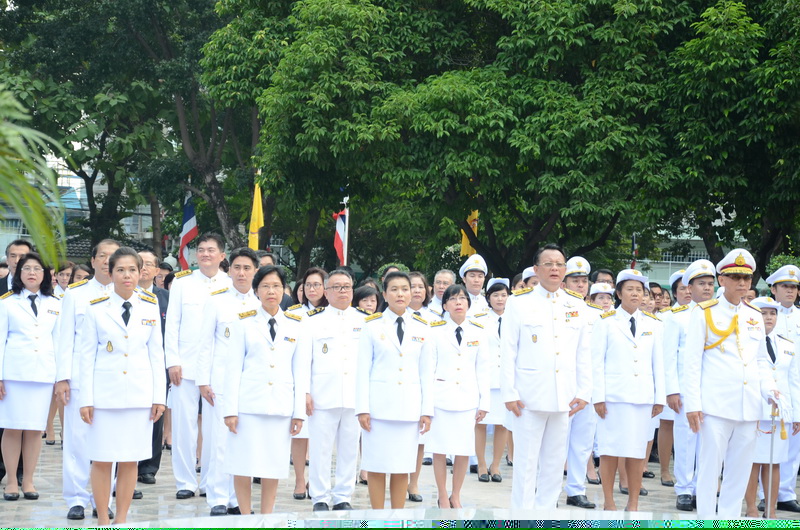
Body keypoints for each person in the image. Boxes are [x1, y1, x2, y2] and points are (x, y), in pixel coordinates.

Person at [684, 249, 780, 518]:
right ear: (721, 280)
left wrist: (769, 389)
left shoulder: (754, 314)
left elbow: (760, 360)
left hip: (748, 406)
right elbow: (691, 362)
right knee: (710, 469)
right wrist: (693, 404)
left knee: (739, 470)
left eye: (746, 278)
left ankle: (729, 519)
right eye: (735, 277)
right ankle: (706, 520)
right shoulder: (704, 312)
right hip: (715, 405)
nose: (742, 283)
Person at [77, 247, 166, 525]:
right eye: (120, 270)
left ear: (141, 272)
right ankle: (104, 518)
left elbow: (156, 354)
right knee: (102, 459)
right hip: (105, 396)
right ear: (111, 272)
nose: (127, 275)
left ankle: (122, 519)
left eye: (132, 270)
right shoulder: (96, 307)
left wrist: (159, 397)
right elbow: (86, 356)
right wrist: (86, 399)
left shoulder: (150, 304)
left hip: (139, 396)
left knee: (130, 459)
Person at [501, 243, 591, 509]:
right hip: (528, 397)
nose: (554, 268)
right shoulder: (519, 303)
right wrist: (509, 393)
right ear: (536, 269)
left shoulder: (576, 304)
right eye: (548, 264)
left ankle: (546, 514)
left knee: (554, 463)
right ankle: (522, 518)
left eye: (559, 264)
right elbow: (508, 350)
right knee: (526, 464)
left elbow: (583, 352)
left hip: (564, 397)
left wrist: (584, 391)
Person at [223, 265, 307, 514]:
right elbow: (232, 369)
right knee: (243, 464)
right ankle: (245, 516)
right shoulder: (243, 322)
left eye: (276, 286)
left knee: (273, 465)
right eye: (266, 286)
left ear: (284, 290)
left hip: (280, 406)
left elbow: (300, 372)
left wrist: (298, 413)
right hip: (248, 406)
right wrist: (230, 410)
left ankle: (266, 517)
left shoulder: (296, 325)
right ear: (256, 290)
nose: (271, 291)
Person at [55, 239, 120, 521]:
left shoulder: (126, 294)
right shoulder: (76, 293)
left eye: (112, 256)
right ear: (92, 261)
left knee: (110, 442)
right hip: (80, 378)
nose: (107, 261)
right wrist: (62, 378)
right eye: (102, 256)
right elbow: (64, 338)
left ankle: (103, 499)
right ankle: (76, 499)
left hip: (113, 379)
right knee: (77, 441)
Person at [356, 271, 433, 509]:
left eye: (405, 289)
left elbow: (426, 373)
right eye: (394, 289)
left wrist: (427, 410)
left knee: (402, 467)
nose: (400, 294)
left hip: (409, 409)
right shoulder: (371, 325)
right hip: (378, 410)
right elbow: (362, 371)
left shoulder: (423, 327)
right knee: (376, 466)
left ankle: (398, 518)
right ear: (384, 294)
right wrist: (362, 409)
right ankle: (378, 518)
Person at [592, 269, 665, 512]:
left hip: (642, 397)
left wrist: (659, 397)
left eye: (639, 290)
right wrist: (598, 397)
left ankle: (633, 503)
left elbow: (658, 363)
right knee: (609, 451)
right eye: (630, 289)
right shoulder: (605, 321)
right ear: (619, 293)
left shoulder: (653, 324)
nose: (635, 294)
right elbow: (596, 362)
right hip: (613, 397)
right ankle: (609, 502)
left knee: (636, 452)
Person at [165, 233, 231, 500]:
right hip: (186, 364)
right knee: (183, 425)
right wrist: (173, 361)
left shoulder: (230, 284)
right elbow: (172, 324)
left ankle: (210, 481)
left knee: (216, 429)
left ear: (222, 255)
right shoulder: (182, 283)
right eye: (201, 250)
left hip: (218, 367)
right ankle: (185, 481)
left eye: (211, 250)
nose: (205, 254)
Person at [195, 248, 259, 516]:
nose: (241, 273)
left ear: (255, 271)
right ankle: (218, 498)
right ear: (229, 270)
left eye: (247, 268)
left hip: (252, 384)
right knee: (220, 441)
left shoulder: (262, 302)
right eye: (237, 267)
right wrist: (203, 380)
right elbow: (204, 343)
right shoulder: (217, 301)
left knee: (244, 442)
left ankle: (237, 499)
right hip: (221, 382)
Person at [0, 253, 60, 501]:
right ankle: (11, 481)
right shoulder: (7, 302)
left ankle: (29, 480)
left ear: (45, 274)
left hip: (43, 374)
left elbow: (59, 342)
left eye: (37, 268)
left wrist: (60, 377)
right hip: (14, 374)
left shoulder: (55, 303)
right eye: (26, 268)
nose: (32, 273)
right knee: (13, 427)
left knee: (35, 429)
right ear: (19, 273)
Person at [304, 269, 362, 512]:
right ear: (326, 292)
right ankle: (319, 496)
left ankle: (343, 496)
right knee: (320, 449)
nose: (342, 291)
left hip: (354, 396)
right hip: (322, 395)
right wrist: (305, 392)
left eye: (346, 287)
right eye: (336, 287)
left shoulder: (364, 320)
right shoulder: (312, 321)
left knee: (349, 449)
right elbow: (304, 361)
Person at [426, 284, 489, 508]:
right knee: (440, 449)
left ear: (468, 304)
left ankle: (456, 494)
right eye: (453, 299)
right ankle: (442, 494)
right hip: (441, 398)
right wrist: (427, 405)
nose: (458, 302)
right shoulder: (435, 331)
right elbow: (429, 369)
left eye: (462, 298)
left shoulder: (479, 331)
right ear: (445, 305)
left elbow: (483, 369)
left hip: (467, 399)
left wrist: (484, 402)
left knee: (463, 450)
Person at [663, 259, 716, 511]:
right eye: (701, 284)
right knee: (686, 439)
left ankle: (701, 488)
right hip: (685, 388)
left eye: (710, 284)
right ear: (689, 288)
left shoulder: (719, 315)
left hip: (713, 389)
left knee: (709, 442)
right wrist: (672, 389)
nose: (706, 288)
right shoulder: (677, 317)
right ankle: (684, 489)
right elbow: (669, 357)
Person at [744, 296, 800, 518]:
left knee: (774, 462)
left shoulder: (787, 344)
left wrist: (796, 414)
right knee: (753, 462)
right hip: (755, 410)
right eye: (764, 313)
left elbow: (793, 381)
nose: (769, 318)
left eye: (773, 313)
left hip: (780, 414)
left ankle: (771, 509)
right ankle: (751, 508)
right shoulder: (746, 341)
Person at [562, 256, 603, 510]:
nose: (580, 285)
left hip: (588, 387)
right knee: (555, 441)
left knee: (582, 442)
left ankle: (576, 490)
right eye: (575, 280)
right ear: (564, 283)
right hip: (563, 385)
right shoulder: (556, 310)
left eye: (584, 280)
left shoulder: (598, 315)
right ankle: (548, 488)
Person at [286, 267, 328, 500]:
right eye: (308, 285)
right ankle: (300, 480)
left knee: (321, 435)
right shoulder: (293, 314)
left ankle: (317, 480)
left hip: (324, 381)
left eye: (317, 284)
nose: (312, 289)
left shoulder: (332, 312)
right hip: (300, 378)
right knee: (300, 433)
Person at [764, 264, 800, 513]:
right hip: (769, 386)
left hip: (795, 386)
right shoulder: (764, 315)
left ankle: (786, 493)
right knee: (766, 445)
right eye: (785, 286)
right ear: (773, 289)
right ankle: (764, 494)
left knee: (793, 444)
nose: (790, 291)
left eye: (794, 287)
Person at [136, 250, 170, 487]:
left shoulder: (166, 297)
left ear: (157, 271)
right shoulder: (121, 293)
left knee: (155, 414)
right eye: (140, 264)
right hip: (133, 364)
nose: (144, 268)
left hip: (159, 362)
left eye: (149, 264)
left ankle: (148, 467)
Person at [474, 279, 510, 484]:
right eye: (495, 295)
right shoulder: (480, 320)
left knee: (502, 424)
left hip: (506, 379)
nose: (500, 299)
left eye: (503, 295)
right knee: (481, 422)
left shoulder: (514, 319)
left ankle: (495, 464)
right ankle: (481, 464)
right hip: (485, 378)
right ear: (488, 298)